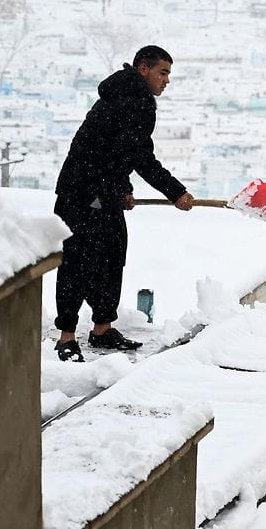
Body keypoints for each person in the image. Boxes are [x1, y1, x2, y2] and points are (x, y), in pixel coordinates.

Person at [53, 45, 194, 362]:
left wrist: (122, 187)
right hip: (82, 193)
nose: (166, 81)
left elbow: (117, 152)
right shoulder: (134, 101)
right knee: (78, 263)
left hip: (101, 189)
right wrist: (176, 192)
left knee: (111, 255)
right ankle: (66, 337)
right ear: (143, 68)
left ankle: (102, 328)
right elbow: (140, 157)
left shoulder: (129, 96)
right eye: (163, 72)